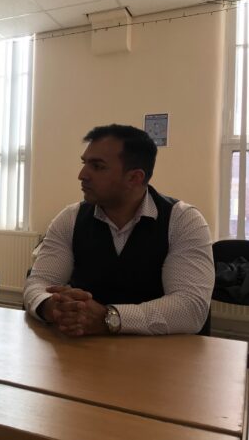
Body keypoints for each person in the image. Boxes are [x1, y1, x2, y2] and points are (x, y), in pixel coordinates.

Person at [24, 124, 214, 336]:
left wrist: (110, 318)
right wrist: (51, 306)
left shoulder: (183, 221)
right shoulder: (70, 218)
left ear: (134, 178)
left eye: (97, 166)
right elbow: (38, 282)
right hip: (87, 352)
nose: (82, 174)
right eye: (84, 163)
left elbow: (190, 308)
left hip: (163, 358)